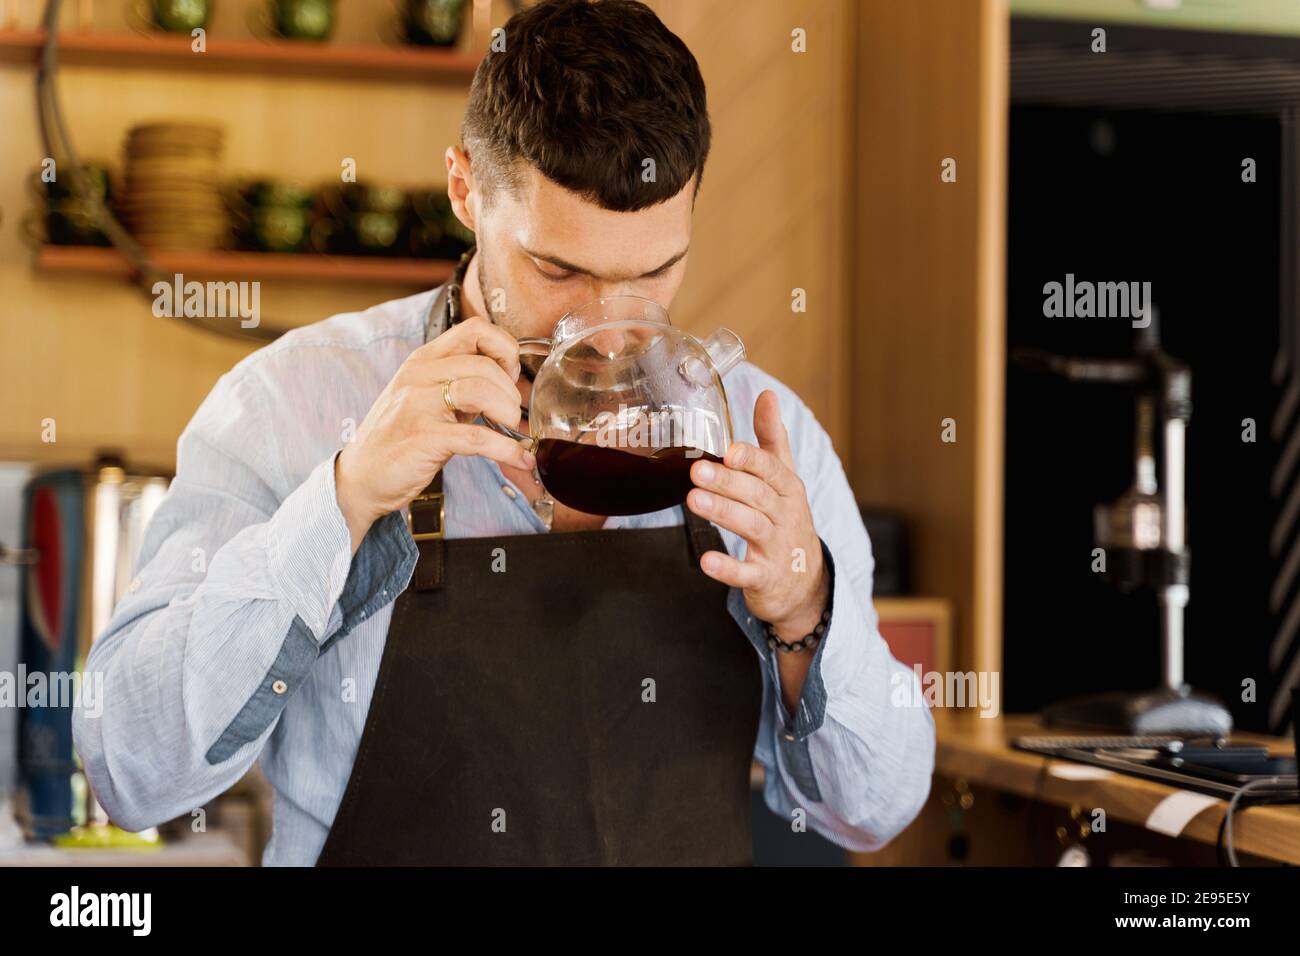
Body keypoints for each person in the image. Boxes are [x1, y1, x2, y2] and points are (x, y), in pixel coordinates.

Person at [73, 0, 934, 866]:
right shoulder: (288, 402)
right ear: (464, 190)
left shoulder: (761, 433)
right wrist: (338, 504)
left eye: (655, 271)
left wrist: (804, 610)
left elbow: (875, 814)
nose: (608, 327)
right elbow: (130, 773)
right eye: (560, 269)